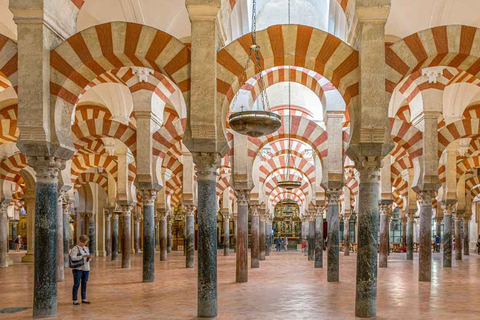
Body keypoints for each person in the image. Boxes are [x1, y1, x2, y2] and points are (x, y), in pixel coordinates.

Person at [70, 234, 92, 305]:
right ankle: (75, 299)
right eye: (85, 242)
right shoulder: (75, 248)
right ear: (82, 241)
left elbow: (87, 258)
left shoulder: (86, 248)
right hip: (78, 268)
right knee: (77, 284)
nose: (86, 243)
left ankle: (84, 298)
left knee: (84, 283)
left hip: (86, 268)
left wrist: (89, 258)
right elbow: (73, 258)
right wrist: (83, 256)